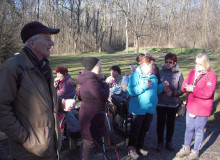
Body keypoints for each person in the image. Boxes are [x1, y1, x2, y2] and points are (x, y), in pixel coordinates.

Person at [0, 21, 75, 160]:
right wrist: (25, 139)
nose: (52, 44)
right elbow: (2, 108)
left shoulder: (44, 67)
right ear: (32, 43)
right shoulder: (13, 66)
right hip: (29, 153)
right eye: (47, 39)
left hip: (50, 149)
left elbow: (43, 99)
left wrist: (61, 104)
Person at [126, 54, 168, 159]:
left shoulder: (153, 76)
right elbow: (130, 91)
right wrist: (144, 86)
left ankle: (140, 146)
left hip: (150, 108)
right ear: (144, 64)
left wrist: (163, 86)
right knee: (135, 130)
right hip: (138, 109)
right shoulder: (135, 76)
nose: (153, 66)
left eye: (153, 64)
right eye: (151, 64)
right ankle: (132, 149)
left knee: (145, 129)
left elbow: (156, 90)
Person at [176, 53, 217, 160]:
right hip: (191, 106)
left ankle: (195, 151)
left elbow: (208, 93)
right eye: (196, 64)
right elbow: (184, 85)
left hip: (203, 108)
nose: (197, 66)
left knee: (199, 130)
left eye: (200, 64)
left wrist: (193, 89)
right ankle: (186, 147)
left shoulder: (210, 75)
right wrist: (185, 87)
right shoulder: (192, 73)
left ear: (205, 64)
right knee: (189, 128)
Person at [77, 57, 109, 160]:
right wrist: (105, 84)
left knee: (88, 140)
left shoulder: (90, 78)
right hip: (90, 116)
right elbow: (103, 97)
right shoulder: (91, 82)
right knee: (88, 142)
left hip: (91, 113)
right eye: (99, 65)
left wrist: (100, 79)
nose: (101, 68)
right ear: (92, 67)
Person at [156, 53, 184, 152]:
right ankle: (160, 142)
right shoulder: (159, 72)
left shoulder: (179, 74)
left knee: (170, 124)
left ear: (174, 63)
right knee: (160, 123)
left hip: (173, 103)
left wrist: (172, 93)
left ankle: (169, 141)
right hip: (161, 103)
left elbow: (182, 90)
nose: (168, 63)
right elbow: (155, 86)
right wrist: (161, 89)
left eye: (170, 62)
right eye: (166, 61)